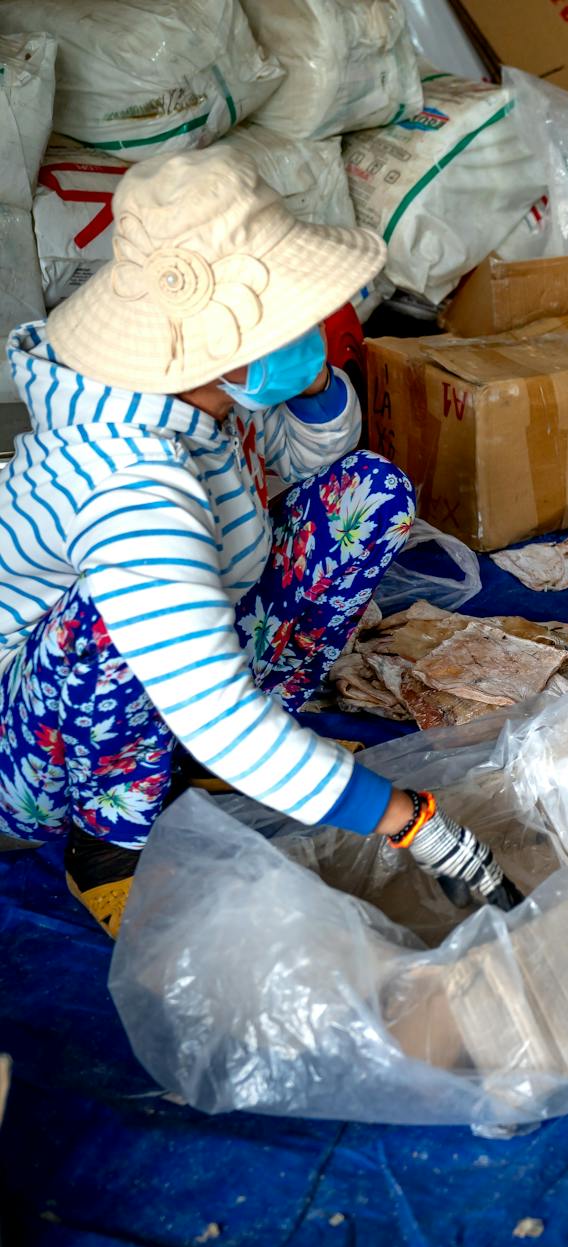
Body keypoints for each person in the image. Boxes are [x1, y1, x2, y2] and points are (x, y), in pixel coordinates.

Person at [0, 147, 516, 937]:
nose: (314, 327)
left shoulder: (192, 384)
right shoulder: (131, 488)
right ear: (226, 342)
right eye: (296, 318)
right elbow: (212, 706)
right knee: (117, 622)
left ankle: (209, 764)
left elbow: (312, 459)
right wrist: (407, 818)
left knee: (366, 496)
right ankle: (107, 839)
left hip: (171, 662)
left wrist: (309, 386)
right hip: (38, 751)